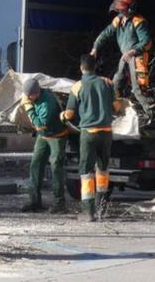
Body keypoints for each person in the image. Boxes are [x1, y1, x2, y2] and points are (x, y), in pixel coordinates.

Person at [62, 55, 119, 222]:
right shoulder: (108, 83)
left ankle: (88, 211)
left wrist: (62, 116)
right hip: (106, 132)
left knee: (86, 171)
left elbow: (70, 113)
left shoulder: (77, 86)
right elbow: (116, 108)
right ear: (95, 67)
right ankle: (102, 208)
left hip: (88, 134)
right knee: (102, 169)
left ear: (81, 68)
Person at [90, 0, 153, 117]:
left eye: (122, 8)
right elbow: (106, 33)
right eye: (118, 7)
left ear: (130, 7)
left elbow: (147, 42)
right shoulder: (118, 20)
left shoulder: (138, 21)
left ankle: (152, 115)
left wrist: (133, 51)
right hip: (125, 56)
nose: (120, 10)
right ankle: (113, 112)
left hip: (137, 57)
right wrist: (95, 47)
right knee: (116, 83)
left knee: (138, 88)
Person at [19, 77, 69, 214]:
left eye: (30, 96)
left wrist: (29, 108)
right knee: (36, 164)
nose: (28, 99)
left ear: (36, 93)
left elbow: (39, 124)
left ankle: (60, 203)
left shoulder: (47, 103)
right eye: (27, 96)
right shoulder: (34, 95)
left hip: (57, 136)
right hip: (44, 136)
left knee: (56, 166)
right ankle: (34, 201)